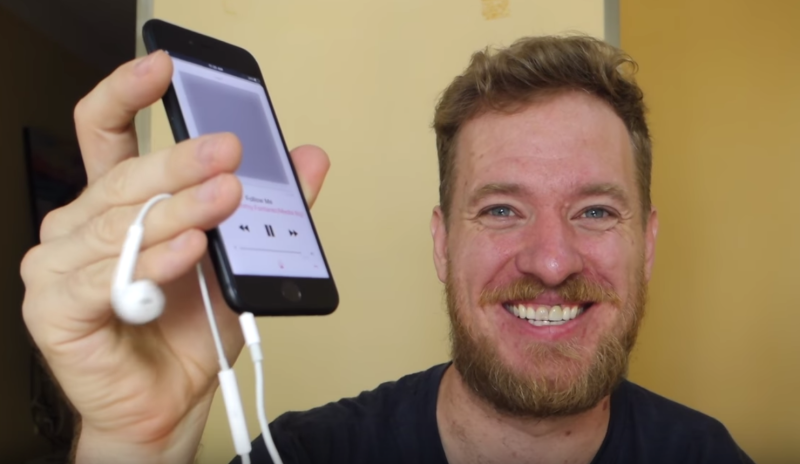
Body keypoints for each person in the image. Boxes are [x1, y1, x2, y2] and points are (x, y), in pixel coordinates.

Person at [20, 35, 753, 464]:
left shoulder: (709, 454)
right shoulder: (307, 455)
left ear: (647, 244)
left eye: (595, 211)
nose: (552, 262)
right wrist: (133, 443)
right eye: (501, 209)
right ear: (441, 243)